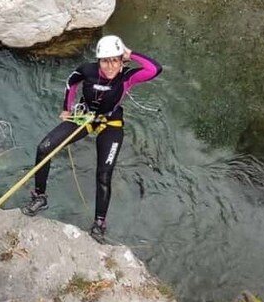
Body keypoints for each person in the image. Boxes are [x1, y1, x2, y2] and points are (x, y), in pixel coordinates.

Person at [23, 35, 162, 239]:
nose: (110, 66)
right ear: (98, 61)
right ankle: (39, 196)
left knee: (104, 174)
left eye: (115, 60)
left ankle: (99, 223)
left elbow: (154, 69)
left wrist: (129, 53)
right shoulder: (87, 70)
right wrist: (66, 109)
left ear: (121, 61)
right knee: (44, 148)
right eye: (105, 61)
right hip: (84, 118)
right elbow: (71, 82)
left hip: (110, 123)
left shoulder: (126, 77)